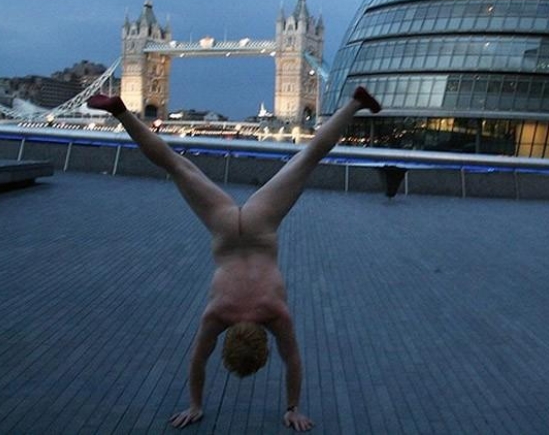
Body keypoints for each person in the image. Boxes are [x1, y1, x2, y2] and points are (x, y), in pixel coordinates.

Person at [87, 87, 382, 432]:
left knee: (310, 156)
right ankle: (121, 112)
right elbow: (198, 360)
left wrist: (293, 407)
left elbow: (293, 361)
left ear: (263, 345)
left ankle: (357, 102)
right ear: (228, 342)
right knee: (175, 164)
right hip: (225, 228)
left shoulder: (276, 313)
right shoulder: (217, 315)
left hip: (261, 225)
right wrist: (194, 404)